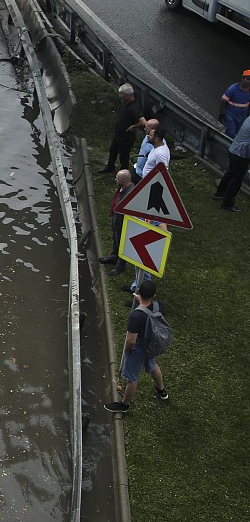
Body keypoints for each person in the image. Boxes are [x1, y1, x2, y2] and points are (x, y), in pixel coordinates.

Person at [104, 279, 169, 413]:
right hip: (151, 345)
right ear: (154, 295)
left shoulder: (136, 316)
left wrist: (128, 351)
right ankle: (162, 390)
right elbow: (150, 310)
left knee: (132, 378)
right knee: (152, 365)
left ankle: (124, 405)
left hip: (138, 348)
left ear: (138, 291)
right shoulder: (159, 306)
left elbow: (131, 341)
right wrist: (140, 300)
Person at [99, 84, 144, 173]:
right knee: (113, 150)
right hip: (119, 135)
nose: (120, 96)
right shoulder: (127, 103)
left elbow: (143, 121)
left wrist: (134, 126)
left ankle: (124, 172)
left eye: (122, 94)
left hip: (126, 137)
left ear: (127, 95)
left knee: (123, 155)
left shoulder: (134, 107)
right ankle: (110, 167)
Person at [99, 170, 135, 275]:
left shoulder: (130, 194)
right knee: (115, 240)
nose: (115, 179)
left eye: (117, 178)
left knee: (122, 244)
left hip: (123, 224)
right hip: (116, 220)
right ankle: (114, 257)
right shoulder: (122, 187)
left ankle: (120, 265)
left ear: (124, 181)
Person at [213, 114, 250, 212]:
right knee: (236, 179)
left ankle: (219, 193)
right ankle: (227, 203)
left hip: (235, 149)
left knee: (230, 174)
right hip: (241, 154)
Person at [217, 69, 250, 137]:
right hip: (230, 115)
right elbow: (223, 101)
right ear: (242, 78)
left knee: (238, 134)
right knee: (231, 134)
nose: (249, 81)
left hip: (242, 117)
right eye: (248, 79)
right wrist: (221, 115)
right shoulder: (233, 89)